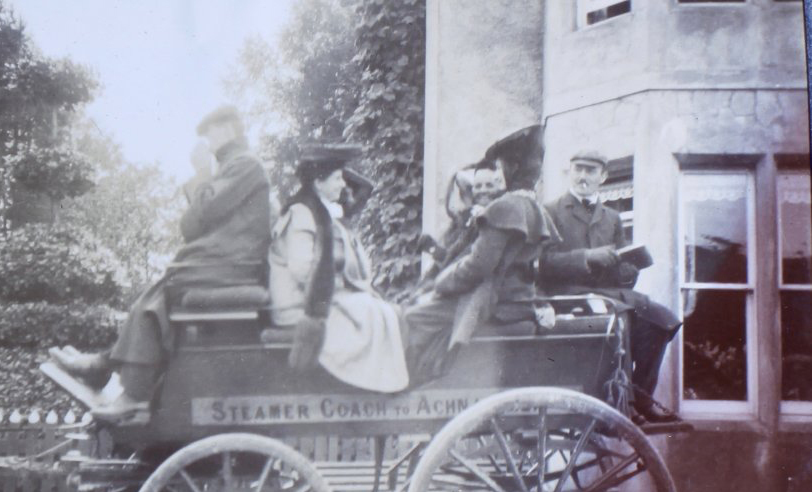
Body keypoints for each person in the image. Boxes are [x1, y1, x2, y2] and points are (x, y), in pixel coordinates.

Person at [52, 106, 272, 421]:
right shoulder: (233, 167)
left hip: (234, 263)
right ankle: (108, 368)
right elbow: (192, 227)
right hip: (223, 260)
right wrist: (205, 178)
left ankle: (129, 389)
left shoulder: (245, 166)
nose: (207, 143)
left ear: (226, 131)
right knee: (161, 288)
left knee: (166, 289)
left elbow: (202, 217)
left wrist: (202, 173)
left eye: (209, 134)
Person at [404, 125, 559, 383]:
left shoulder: (506, 207)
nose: (498, 175)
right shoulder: (533, 206)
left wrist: (442, 282)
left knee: (411, 318)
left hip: (493, 301)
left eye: (500, 168)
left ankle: (408, 388)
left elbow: (478, 266)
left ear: (513, 167)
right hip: (518, 299)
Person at [540, 149, 682, 423]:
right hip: (568, 294)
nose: (583, 176)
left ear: (603, 176)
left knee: (661, 321)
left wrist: (628, 270)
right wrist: (586, 257)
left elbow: (619, 265)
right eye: (578, 168)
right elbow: (542, 263)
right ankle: (622, 401)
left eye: (590, 170)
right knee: (621, 316)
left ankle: (641, 396)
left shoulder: (612, 217)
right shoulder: (551, 211)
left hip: (607, 293)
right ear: (570, 172)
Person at [268, 144, 408, 393]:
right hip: (300, 306)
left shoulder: (319, 210)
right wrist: (343, 290)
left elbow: (364, 188)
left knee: (380, 312)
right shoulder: (301, 213)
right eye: (337, 178)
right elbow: (302, 270)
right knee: (374, 314)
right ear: (318, 183)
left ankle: (386, 380)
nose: (344, 185)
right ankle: (381, 383)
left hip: (312, 298)